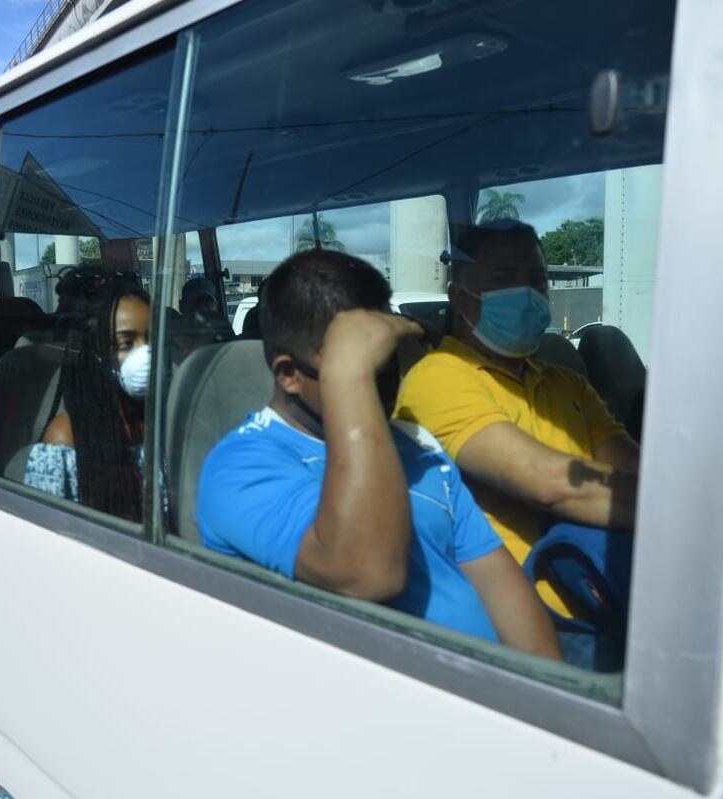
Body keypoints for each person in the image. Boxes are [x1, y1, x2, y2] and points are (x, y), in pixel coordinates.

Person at [196, 250, 561, 659]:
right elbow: (368, 573)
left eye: (389, 352)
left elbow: (501, 587)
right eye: (368, 361)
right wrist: (349, 373)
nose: (389, 373)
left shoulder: (416, 445)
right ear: (289, 374)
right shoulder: (239, 468)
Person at [394, 221, 639, 667]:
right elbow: (551, 483)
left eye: (537, 280)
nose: (527, 293)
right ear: (458, 298)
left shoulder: (567, 383)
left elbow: (633, 465)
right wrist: (681, 511)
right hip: (527, 617)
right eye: (503, 281)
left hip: (605, 585)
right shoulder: (438, 377)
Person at [24, 266, 149, 521]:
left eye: (151, 339)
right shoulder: (64, 440)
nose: (145, 354)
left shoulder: (161, 423)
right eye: (126, 343)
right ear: (95, 351)